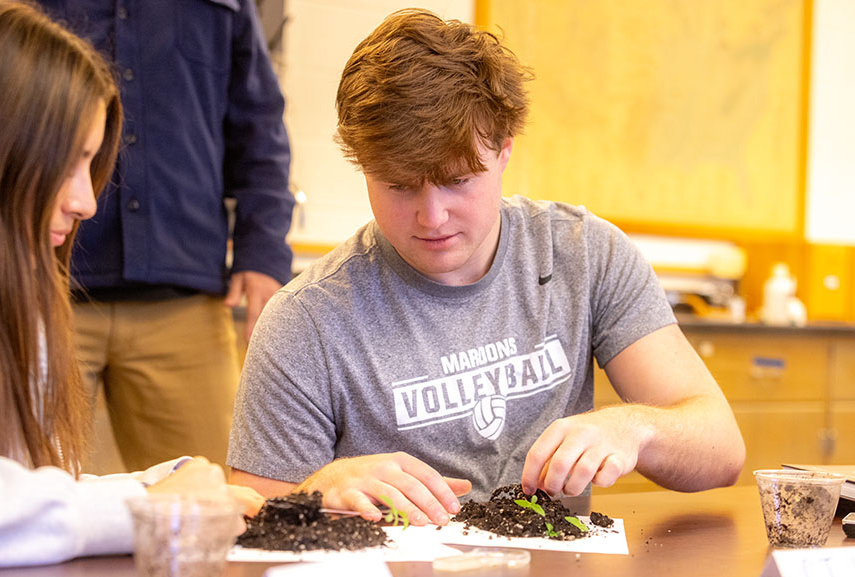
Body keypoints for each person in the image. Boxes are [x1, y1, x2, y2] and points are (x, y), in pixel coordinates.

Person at [227, 8, 746, 527]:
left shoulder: (583, 254)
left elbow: (721, 453)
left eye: (457, 180)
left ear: (503, 153)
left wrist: (636, 429)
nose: (432, 217)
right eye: (400, 184)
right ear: (363, 167)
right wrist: (317, 490)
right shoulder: (304, 321)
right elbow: (249, 519)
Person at [0, 0, 262, 570]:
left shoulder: (16, 295)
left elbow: (19, 488)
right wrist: (140, 506)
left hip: (180, 283)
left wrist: (162, 484)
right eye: (68, 163)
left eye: (92, 166)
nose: (87, 203)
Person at [34, 0, 295, 472]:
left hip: (186, 301)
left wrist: (262, 251)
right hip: (41, 291)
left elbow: (259, 128)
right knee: (22, 496)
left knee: (224, 496)